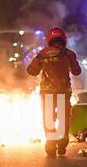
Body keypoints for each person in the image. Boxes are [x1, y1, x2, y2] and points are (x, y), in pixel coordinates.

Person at [27, 28, 82, 157]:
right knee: (63, 118)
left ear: (49, 40)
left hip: (47, 92)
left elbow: (31, 71)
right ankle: (62, 143)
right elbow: (76, 71)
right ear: (64, 40)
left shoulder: (42, 53)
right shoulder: (69, 54)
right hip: (63, 91)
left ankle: (51, 145)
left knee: (48, 118)